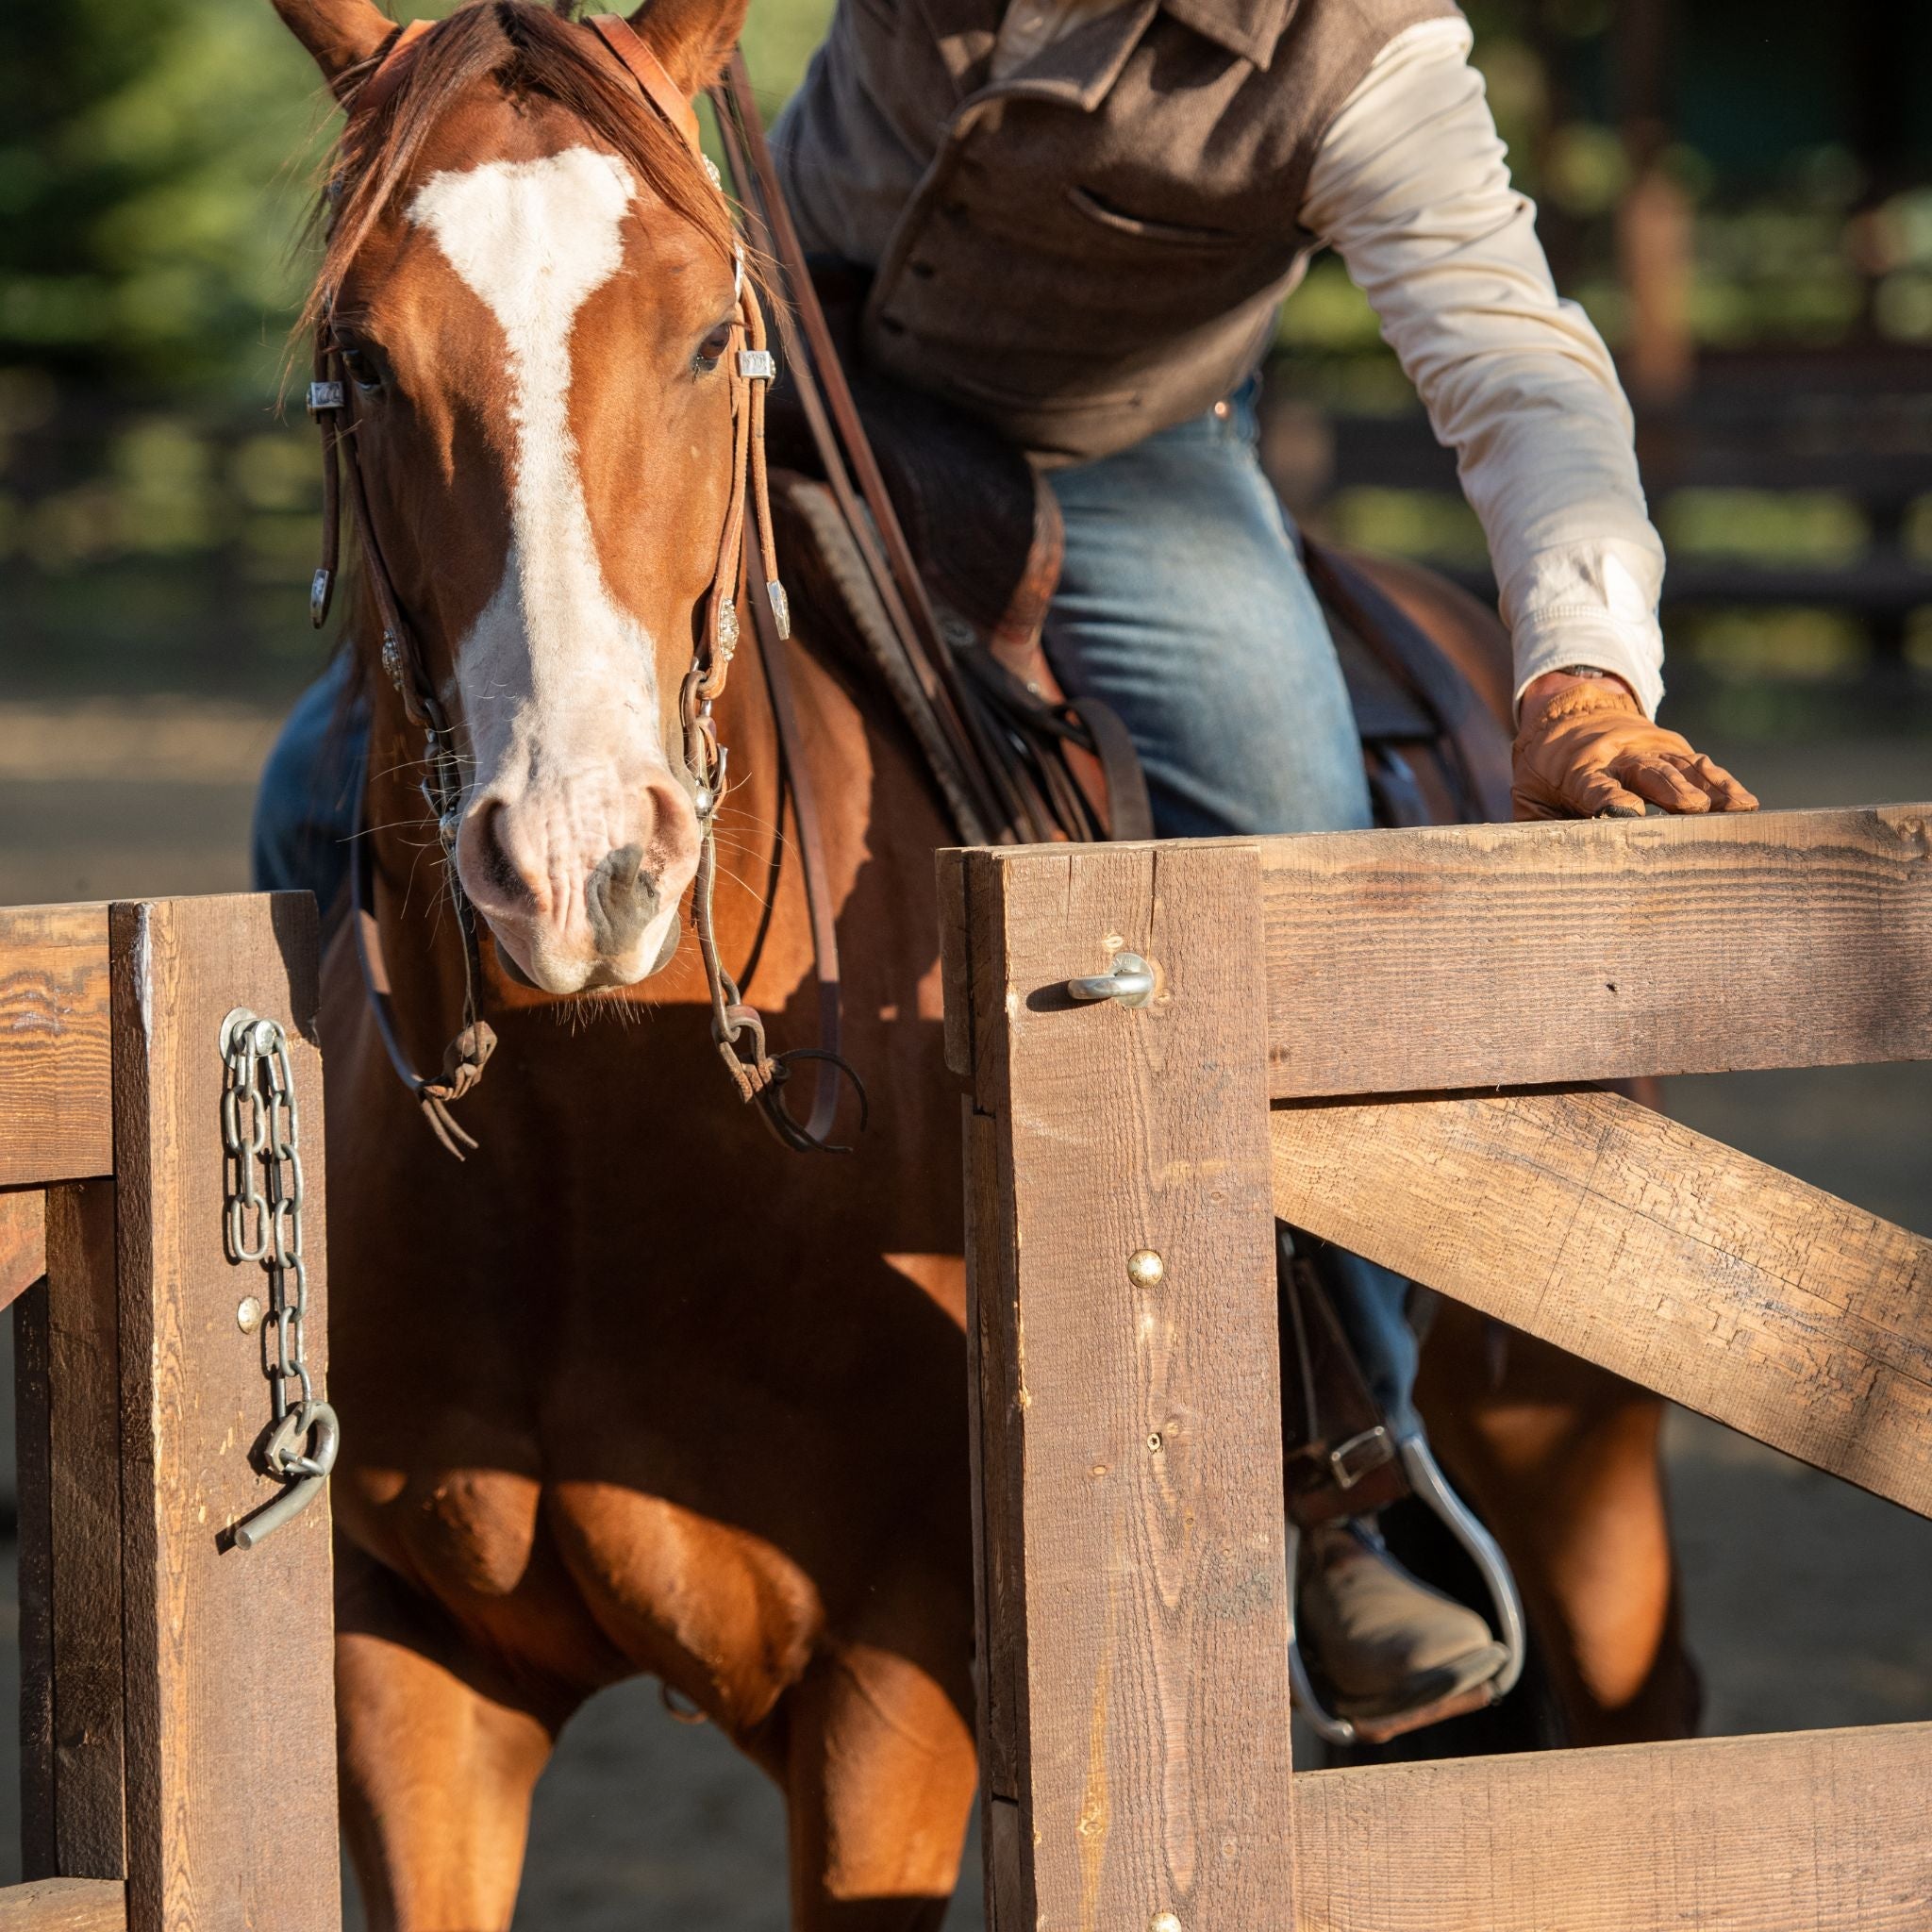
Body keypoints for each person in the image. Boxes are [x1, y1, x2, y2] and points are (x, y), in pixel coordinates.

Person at [254, 0, 1757, 1730]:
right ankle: (299, 1330)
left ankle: (1343, 1471)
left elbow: (1515, 361)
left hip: (1112, 468)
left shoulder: (1361, 52)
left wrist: (1579, 675)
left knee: (1285, 833)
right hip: (730, 370)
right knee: (320, 781)